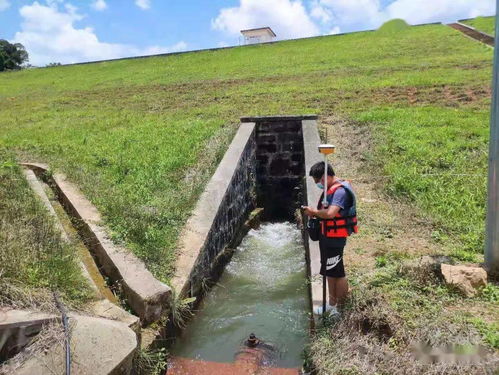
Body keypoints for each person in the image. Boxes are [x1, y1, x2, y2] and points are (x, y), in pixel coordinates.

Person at [302, 162, 358, 315]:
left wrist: (313, 211)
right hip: (327, 236)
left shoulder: (340, 192)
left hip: (335, 238)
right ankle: (332, 304)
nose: (318, 185)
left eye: (318, 181)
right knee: (329, 270)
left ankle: (340, 309)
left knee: (338, 273)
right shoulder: (330, 189)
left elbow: (330, 214)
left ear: (326, 177)